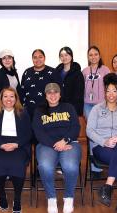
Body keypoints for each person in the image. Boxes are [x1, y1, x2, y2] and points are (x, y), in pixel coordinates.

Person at [86, 73, 117, 212]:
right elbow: (89, 131)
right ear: (104, 92)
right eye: (108, 91)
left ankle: (108, 185)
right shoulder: (96, 109)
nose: (111, 94)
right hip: (101, 148)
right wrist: (104, 141)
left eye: (114, 91)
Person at [33, 83, 81, 213]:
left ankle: (69, 197)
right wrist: (55, 145)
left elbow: (75, 127)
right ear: (46, 95)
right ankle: (51, 198)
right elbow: (38, 132)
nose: (53, 95)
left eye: (55, 92)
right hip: (46, 145)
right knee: (44, 166)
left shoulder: (68, 107)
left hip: (70, 142)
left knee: (70, 166)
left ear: (60, 94)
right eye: (49, 92)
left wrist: (64, 141)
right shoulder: (39, 110)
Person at [0, 87, 32, 213]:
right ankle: (2, 195)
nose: (8, 99)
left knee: (18, 164)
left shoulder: (23, 111)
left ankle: (17, 198)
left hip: (18, 144)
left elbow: (29, 134)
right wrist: (1, 145)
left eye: (12, 96)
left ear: (16, 98)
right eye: (5, 96)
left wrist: (16, 144)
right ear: (1, 98)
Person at [21, 49, 61, 118]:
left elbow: (60, 91)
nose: (38, 59)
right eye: (35, 57)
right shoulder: (27, 72)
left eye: (40, 57)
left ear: (44, 58)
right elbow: (22, 91)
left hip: (48, 112)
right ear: (32, 59)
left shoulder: (53, 72)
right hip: (28, 111)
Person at [55, 46, 84, 116]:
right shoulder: (56, 72)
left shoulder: (77, 73)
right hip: (58, 106)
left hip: (72, 108)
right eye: (61, 56)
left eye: (66, 55)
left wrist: (74, 109)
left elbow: (79, 93)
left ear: (71, 56)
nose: (64, 58)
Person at [82, 45, 109, 119]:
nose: (93, 57)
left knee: (101, 126)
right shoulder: (84, 71)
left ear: (99, 56)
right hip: (87, 104)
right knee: (90, 126)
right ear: (88, 57)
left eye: (96, 54)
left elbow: (109, 87)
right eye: (90, 55)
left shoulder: (105, 70)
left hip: (102, 103)